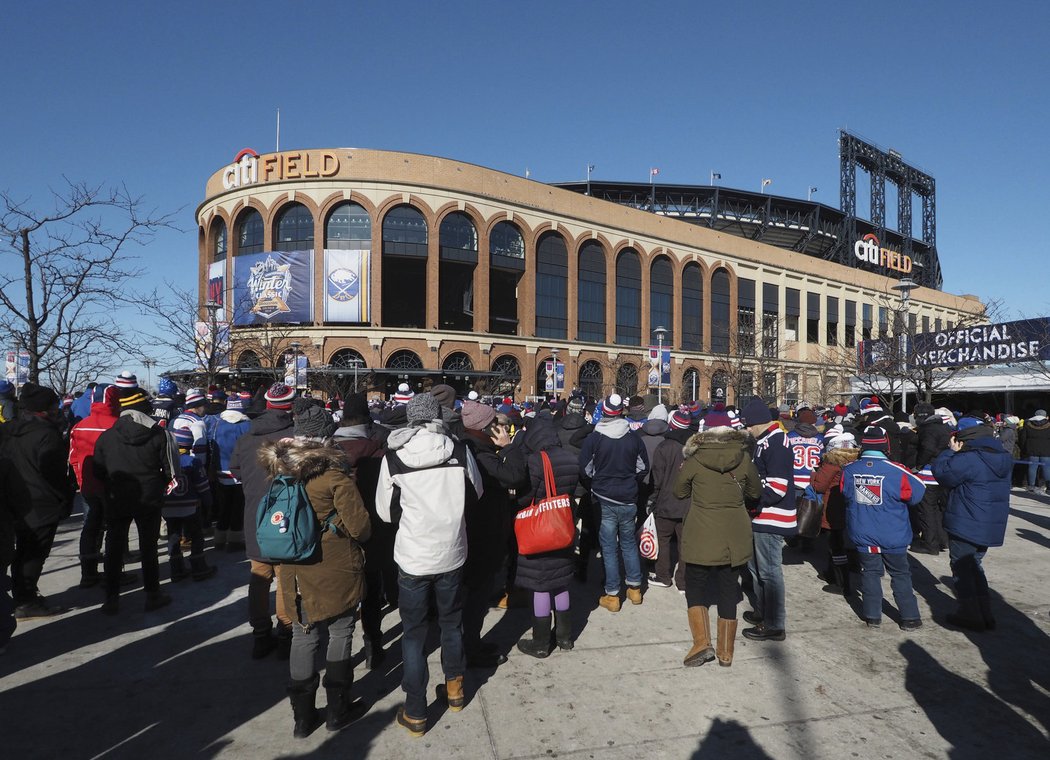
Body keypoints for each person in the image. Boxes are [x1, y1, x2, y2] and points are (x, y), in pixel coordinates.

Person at [375, 392, 483, 737]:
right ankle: (455, 690)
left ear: (410, 418)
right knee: (452, 624)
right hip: (451, 551)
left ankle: (416, 709)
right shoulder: (460, 450)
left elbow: (384, 510)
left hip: (413, 556)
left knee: (414, 632)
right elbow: (477, 491)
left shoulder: (394, 458)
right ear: (437, 417)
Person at [260, 433, 372, 737]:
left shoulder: (280, 477)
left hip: (295, 571)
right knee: (341, 630)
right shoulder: (335, 477)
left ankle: (303, 718)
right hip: (337, 568)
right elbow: (361, 528)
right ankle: (338, 708)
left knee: (303, 634)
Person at [673, 404, 761, 667]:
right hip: (734, 532)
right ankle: (726, 652)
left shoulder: (694, 459)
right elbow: (755, 492)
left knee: (696, 585)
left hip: (701, 530)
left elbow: (679, 492)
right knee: (727, 587)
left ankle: (702, 643)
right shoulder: (743, 457)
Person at [93, 389, 178, 614]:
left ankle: (111, 598)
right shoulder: (158, 434)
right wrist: (160, 483)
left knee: (113, 547)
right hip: (148, 497)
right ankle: (152, 594)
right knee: (148, 547)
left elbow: (97, 470)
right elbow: (171, 470)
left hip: (117, 497)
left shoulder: (106, 437)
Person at [229, 383, 298, 659]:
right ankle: (286, 633)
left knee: (259, 576)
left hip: (255, 517)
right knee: (285, 578)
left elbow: (235, 470)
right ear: (290, 406)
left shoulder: (246, 439)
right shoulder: (295, 438)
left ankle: (260, 635)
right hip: (286, 518)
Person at [458, 399, 525, 666]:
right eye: (494, 424)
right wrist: (509, 448)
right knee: (476, 596)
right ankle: (470, 648)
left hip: (476, 531)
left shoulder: (471, 448)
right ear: (484, 428)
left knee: (475, 594)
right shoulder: (481, 455)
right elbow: (514, 476)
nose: (499, 428)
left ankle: (471, 642)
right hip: (482, 534)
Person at [0, 382, 74, 619]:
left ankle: (22, 594)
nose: (58, 410)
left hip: (13, 501)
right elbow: (54, 475)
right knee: (33, 553)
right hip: (40, 503)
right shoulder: (47, 435)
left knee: (21, 551)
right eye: (54, 406)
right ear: (45, 410)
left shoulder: (8, 430)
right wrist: (65, 497)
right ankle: (26, 599)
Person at [931, 415, 1012, 631]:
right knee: (974, 566)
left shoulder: (969, 458)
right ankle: (984, 612)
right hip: (989, 522)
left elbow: (942, 474)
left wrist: (950, 451)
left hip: (966, 521)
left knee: (962, 569)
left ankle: (970, 614)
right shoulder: (1003, 455)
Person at [331, 393, 394, 670]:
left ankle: (339, 662)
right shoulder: (378, 449)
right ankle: (373, 647)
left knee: (343, 596)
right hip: (373, 528)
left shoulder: (326, 451)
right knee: (371, 590)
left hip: (337, 532)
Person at [840, 426, 926, 630]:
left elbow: (844, 492)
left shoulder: (850, 469)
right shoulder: (898, 470)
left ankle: (872, 616)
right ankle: (910, 618)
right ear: (886, 447)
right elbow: (917, 494)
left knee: (869, 572)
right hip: (893, 533)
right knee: (900, 574)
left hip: (863, 532)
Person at [512, 416, 580, 658]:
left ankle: (540, 642)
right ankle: (565, 637)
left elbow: (523, 499)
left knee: (540, 585)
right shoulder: (572, 459)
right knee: (560, 581)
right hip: (562, 527)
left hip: (539, 530)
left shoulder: (534, 461)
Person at [578, 393, 650, 612]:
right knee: (628, 543)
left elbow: (585, 470)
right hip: (628, 498)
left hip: (604, 498)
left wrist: (595, 485)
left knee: (609, 547)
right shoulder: (633, 437)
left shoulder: (595, 437)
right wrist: (629, 483)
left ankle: (612, 594)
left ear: (605, 411)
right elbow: (643, 468)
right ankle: (635, 588)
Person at [739, 397, 795, 642]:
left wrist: (753, 500)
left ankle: (774, 624)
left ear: (757, 422)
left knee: (769, 572)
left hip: (772, 516)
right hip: (760, 516)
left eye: (748, 424)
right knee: (755, 568)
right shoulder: (764, 441)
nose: (747, 429)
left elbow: (778, 487)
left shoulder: (777, 443)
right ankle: (763, 612)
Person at [68, 385, 125, 588]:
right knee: (115, 529)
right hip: (113, 487)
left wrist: (80, 480)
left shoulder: (80, 426)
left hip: (88, 486)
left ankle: (88, 573)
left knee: (90, 528)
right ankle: (114, 572)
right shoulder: (118, 426)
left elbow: (73, 458)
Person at [648, 409, 697, 590]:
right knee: (685, 542)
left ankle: (663, 576)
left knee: (663, 539)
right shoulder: (695, 449)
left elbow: (657, 479)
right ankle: (683, 582)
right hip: (688, 503)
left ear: (672, 425)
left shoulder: (664, 447)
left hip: (666, 501)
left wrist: (652, 499)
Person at [811, 430, 860, 596]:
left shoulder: (832, 462)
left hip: (833, 507)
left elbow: (820, 485)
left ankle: (841, 582)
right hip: (847, 506)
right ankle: (832, 573)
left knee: (835, 545)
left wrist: (813, 475)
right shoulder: (854, 460)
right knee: (838, 541)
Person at [164, 428, 217, 582]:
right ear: (188, 444)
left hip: (168, 507)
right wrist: (208, 503)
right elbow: (202, 486)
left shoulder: (164, 459)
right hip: (189, 506)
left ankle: (176, 569)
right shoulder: (193, 461)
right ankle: (199, 567)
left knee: (173, 536)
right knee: (196, 535)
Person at [210, 395, 251, 552]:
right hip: (239, 471)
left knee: (224, 506)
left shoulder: (218, 424)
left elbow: (212, 447)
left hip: (221, 470)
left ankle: (219, 539)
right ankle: (235, 540)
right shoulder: (246, 425)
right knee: (238, 507)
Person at [911, 402, 952, 555]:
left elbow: (927, 448)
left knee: (926, 510)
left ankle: (930, 544)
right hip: (940, 473)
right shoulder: (942, 427)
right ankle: (942, 540)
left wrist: (919, 465)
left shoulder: (928, 429)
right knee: (936, 510)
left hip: (928, 474)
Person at [1019, 409, 1050, 492]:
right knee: (1046, 468)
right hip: (1046, 449)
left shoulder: (1028, 424)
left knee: (1032, 467)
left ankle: (1031, 486)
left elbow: (1023, 438)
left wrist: (1024, 448)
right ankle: (1049, 487)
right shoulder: (1048, 425)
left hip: (1032, 448)